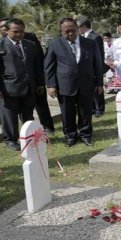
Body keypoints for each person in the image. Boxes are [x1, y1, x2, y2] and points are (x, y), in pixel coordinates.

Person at [44, 17, 103, 147]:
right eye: (66, 31)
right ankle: (70, 136)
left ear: (77, 29)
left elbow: (97, 64)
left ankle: (86, 135)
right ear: (61, 31)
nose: (70, 33)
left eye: (72, 30)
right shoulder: (55, 43)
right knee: (67, 113)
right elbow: (49, 66)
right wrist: (51, 85)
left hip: (86, 84)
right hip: (64, 85)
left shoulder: (90, 43)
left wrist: (99, 83)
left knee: (85, 112)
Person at [1, 17, 55, 135]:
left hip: (28, 88)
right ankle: (11, 140)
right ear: (7, 31)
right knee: (9, 117)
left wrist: (40, 83)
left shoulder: (30, 45)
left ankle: (30, 137)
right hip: (8, 89)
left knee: (28, 115)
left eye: (21, 31)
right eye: (15, 31)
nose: (19, 34)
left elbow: (36, 65)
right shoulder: (1, 45)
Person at [76, 16, 106, 118]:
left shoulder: (95, 37)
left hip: (94, 68)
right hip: (87, 70)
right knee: (90, 90)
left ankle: (100, 109)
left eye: (78, 27)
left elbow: (99, 55)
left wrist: (98, 69)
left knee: (98, 89)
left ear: (83, 26)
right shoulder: (82, 37)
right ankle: (93, 108)